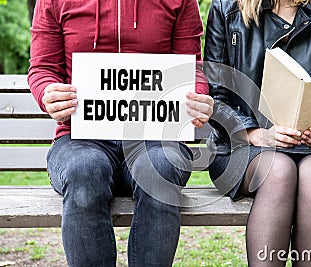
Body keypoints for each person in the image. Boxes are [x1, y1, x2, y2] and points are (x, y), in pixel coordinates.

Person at [28, 0, 214, 266]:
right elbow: (42, 68)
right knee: (85, 168)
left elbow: (192, 67)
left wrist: (196, 95)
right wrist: (48, 92)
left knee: (160, 168)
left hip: (154, 136)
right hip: (80, 136)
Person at [204, 0, 311, 266]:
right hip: (244, 149)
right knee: (278, 170)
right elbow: (215, 96)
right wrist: (252, 132)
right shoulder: (226, 8)